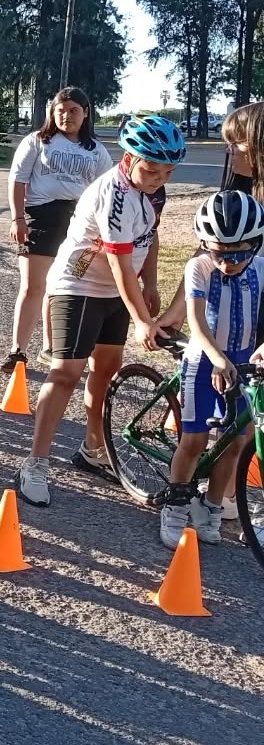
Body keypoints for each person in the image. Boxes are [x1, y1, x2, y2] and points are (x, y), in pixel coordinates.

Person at [15, 114, 186, 508]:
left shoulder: (152, 190)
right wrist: (142, 317)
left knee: (105, 370)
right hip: (76, 287)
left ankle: (93, 448)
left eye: (167, 172)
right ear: (129, 158)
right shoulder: (114, 192)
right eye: (151, 169)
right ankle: (35, 463)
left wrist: (152, 283)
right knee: (66, 373)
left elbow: (151, 234)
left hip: (114, 294)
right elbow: (118, 264)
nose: (158, 178)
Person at [159, 191, 264, 548]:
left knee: (235, 442)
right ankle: (174, 505)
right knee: (194, 440)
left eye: (237, 254)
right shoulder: (199, 267)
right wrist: (219, 360)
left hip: (244, 362)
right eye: (218, 252)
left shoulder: (262, 270)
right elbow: (196, 321)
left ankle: (212, 506)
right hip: (204, 360)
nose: (227, 262)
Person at [1, 87, 111, 374]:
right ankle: (17, 350)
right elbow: (17, 180)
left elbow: (104, 193)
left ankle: (53, 349)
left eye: (73, 110)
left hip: (80, 224)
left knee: (64, 288)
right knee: (33, 286)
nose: (66, 116)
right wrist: (17, 219)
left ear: (86, 113)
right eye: (60, 110)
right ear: (52, 112)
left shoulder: (96, 151)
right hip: (40, 218)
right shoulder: (37, 141)